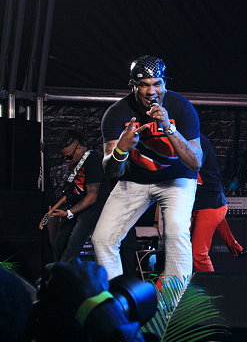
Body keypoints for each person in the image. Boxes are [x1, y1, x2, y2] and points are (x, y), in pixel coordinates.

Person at [92, 55, 202, 281]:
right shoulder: (116, 113)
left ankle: (174, 299)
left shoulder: (180, 107)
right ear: (132, 86)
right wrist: (121, 149)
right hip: (135, 180)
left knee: (176, 232)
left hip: (176, 179)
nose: (151, 92)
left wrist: (169, 128)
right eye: (144, 85)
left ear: (164, 84)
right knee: (102, 239)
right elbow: (111, 170)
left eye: (157, 84)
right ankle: (116, 298)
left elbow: (195, 162)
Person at [51, 130, 109, 262]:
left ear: (78, 148)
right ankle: (57, 271)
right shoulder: (78, 161)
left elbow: (92, 197)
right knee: (59, 244)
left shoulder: (93, 160)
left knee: (72, 248)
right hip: (76, 207)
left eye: (69, 157)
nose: (67, 161)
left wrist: (69, 212)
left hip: (91, 210)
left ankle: (64, 274)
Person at [190, 133, 243, 272]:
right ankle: (165, 285)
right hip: (198, 205)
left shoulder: (198, 142)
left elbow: (194, 164)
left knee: (198, 253)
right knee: (178, 251)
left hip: (211, 204)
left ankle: (211, 285)